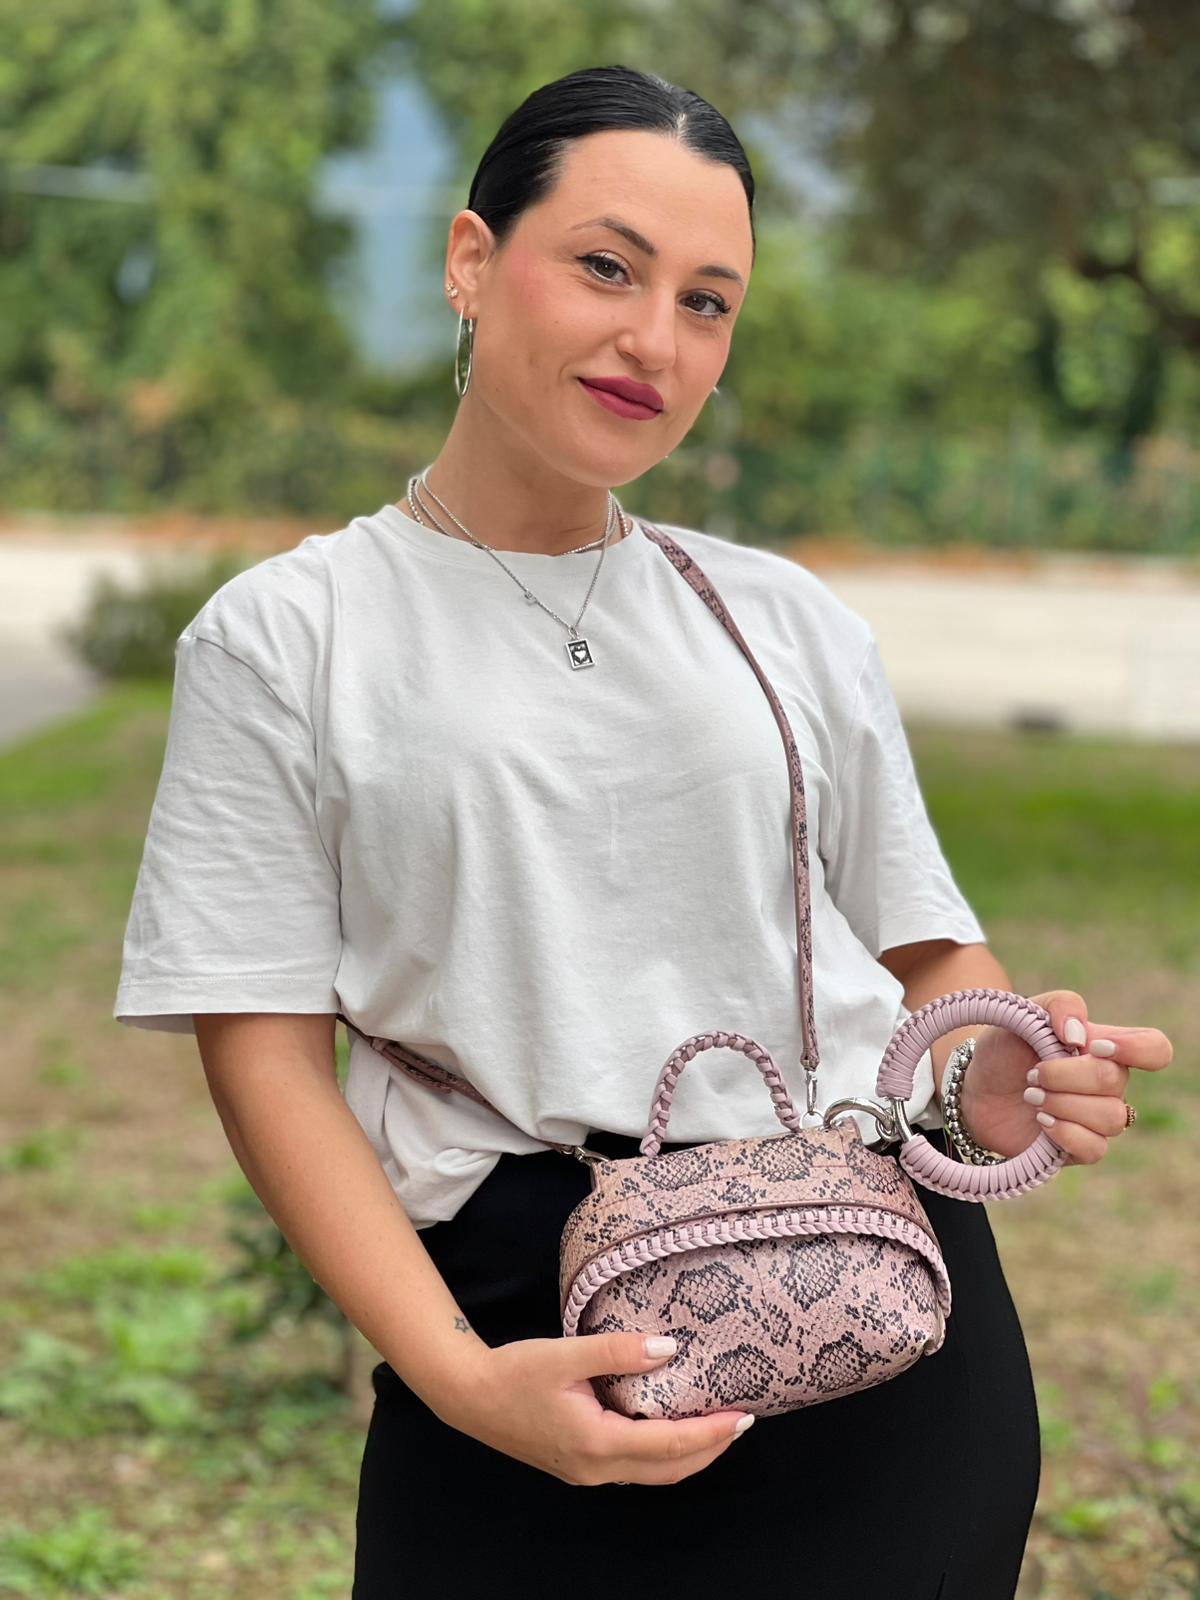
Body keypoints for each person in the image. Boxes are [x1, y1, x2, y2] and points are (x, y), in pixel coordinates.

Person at [112, 63, 1173, 1600]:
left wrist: (990, 1081)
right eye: (607, 267)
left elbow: (932, 956)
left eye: (706, 302)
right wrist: (460, 1380)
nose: (654, 342)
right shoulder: (289, 637)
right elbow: (263, 1052)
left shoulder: (786, 619)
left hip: (872, 1307)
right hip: (517, 1323)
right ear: (472, 261)